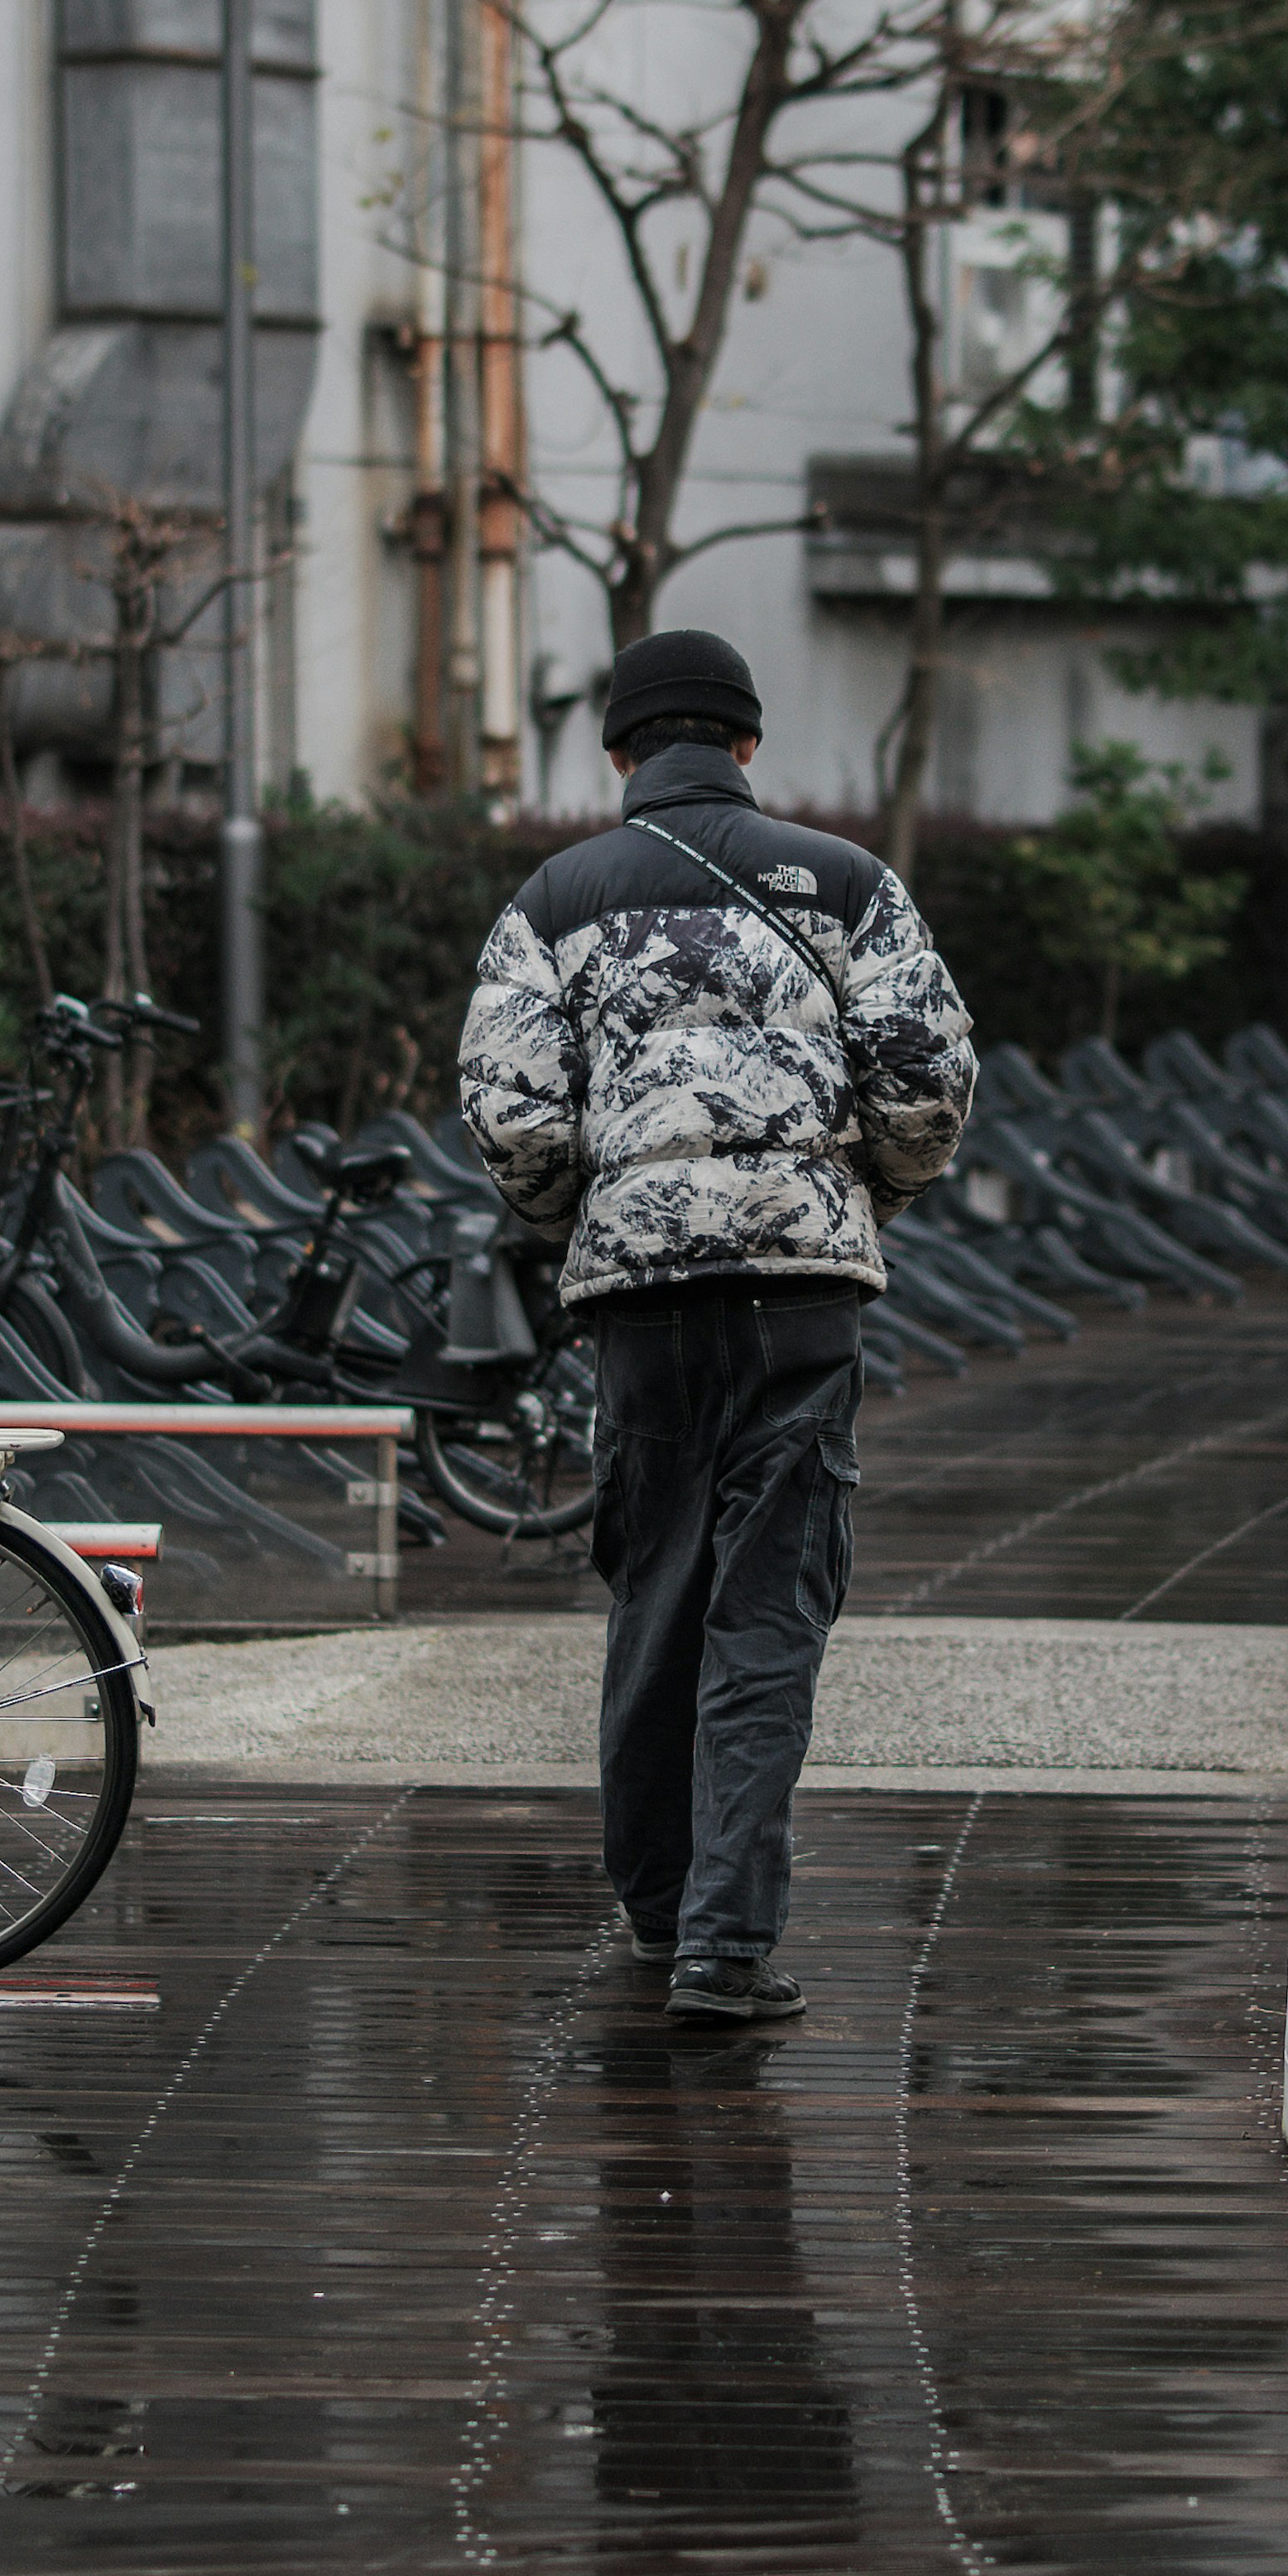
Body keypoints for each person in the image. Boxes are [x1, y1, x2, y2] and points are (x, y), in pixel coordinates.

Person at [457, 625, 976, 2030]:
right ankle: (726, 1945)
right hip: (803, 1297)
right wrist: (860, 1193)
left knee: (656, 1587)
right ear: (746, 743)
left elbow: (510, 1115)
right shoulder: (849, 885)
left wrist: (595, 1214)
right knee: (770, 1609)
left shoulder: (552, 901)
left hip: (641, 1303)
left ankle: (654, 1901)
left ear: (621, 751)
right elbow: (927, 1084)